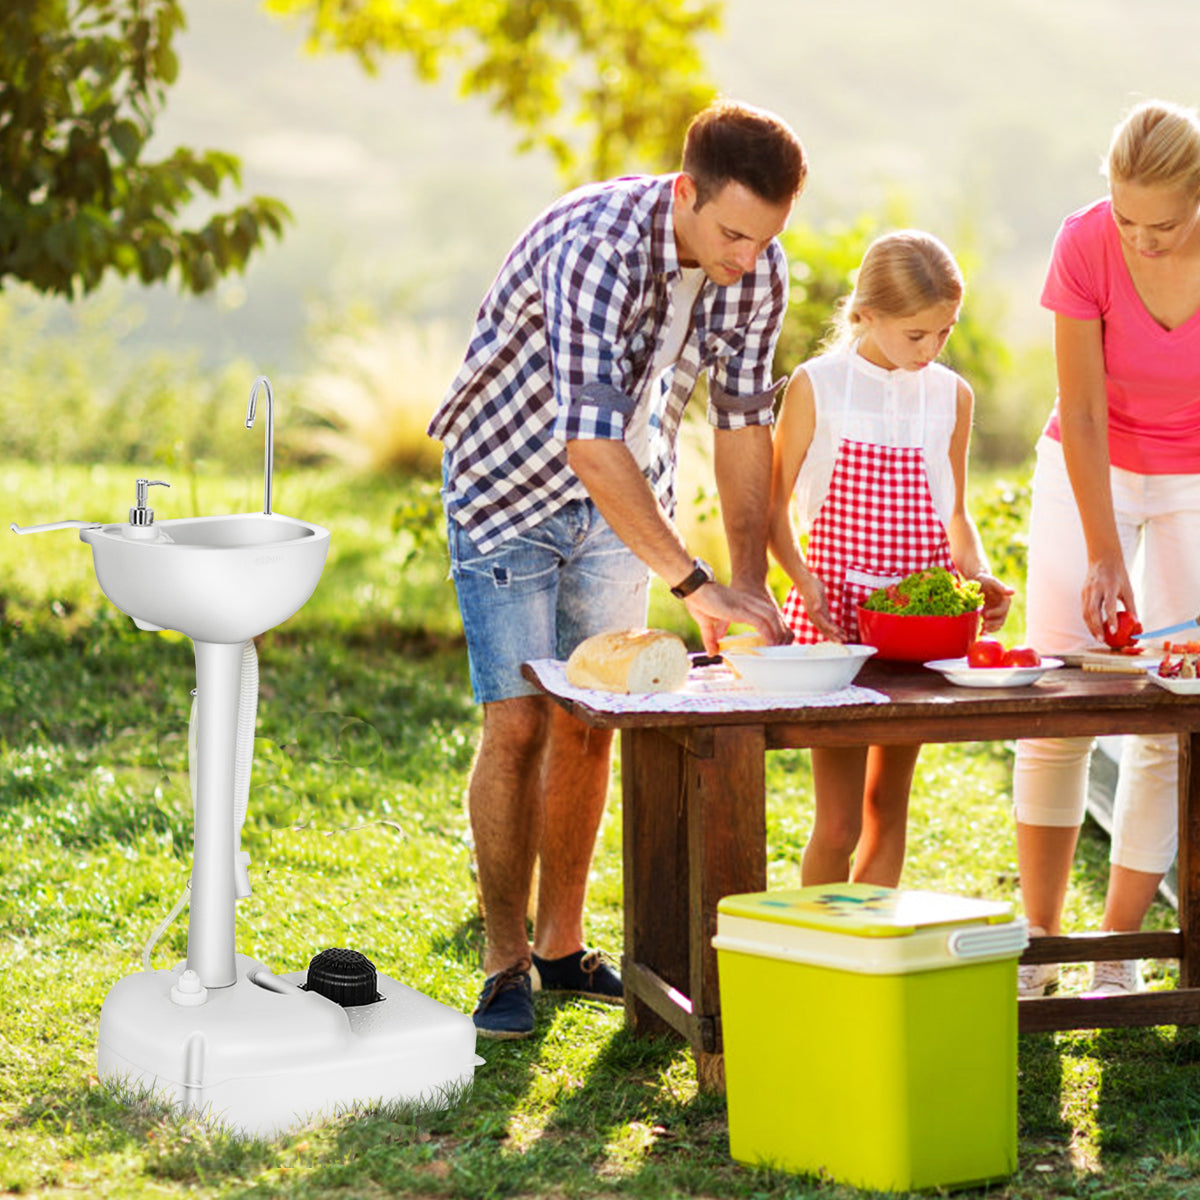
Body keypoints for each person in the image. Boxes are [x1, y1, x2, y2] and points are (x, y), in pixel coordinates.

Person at [427, 99, 807, 1039]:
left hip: (629, 501)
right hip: (508, 487)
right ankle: (504, 961)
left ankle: (562, 948)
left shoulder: (755, 267)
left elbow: (746, 422)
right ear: (685, 192)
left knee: (593, 719)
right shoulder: (597, 246)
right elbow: (589, 443)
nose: (746, 260)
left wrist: (747, 583)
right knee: (517, 725)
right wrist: (693, 584)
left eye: (763, 240)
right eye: (731, 234)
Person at [1014, 99, 1200, 998]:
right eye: (1127, 217)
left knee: (1171, 706)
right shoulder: (1085, 241)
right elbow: (1082, 409)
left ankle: (1118, 949)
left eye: (1162, 224)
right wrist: (1102, 551)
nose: (1140, 240)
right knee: (1060, 699)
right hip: (1087, 463)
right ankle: (1038, 941)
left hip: (1194, 480)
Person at [767, 230, 1012, 887]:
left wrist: (978, 575)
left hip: (918, 636)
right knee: (839, 822)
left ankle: (865, 962)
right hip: (836, 631)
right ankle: (816, 954)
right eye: (917, 335)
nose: (931, 350)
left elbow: (954, 514)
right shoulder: (818, 386)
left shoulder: (951, 395)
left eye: (944, 332)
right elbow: (773, 512)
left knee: (887, 810)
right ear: (866, 314)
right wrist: (803, 582)